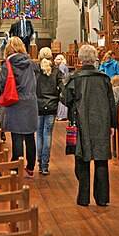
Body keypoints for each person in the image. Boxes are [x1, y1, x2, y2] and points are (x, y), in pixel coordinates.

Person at [61, 45, 117, 207]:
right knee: (101, 160)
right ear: (94, 59)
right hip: (101, 122)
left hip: (81, 123)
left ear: (80, 59)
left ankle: (83, 198)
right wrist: (112, 124)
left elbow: (65, 99)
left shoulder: (75, 78)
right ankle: (102, 198)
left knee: (82, 159)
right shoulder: (104, 78)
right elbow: (111, 103)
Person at [0, 36, 38, 178]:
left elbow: (1, 85)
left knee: (17, 136)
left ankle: (17, 168)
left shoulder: (7, 64)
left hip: (15, 101)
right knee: (30, 136)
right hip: (31, 101)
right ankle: (31, 168)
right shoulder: (31, 63)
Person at [35, 47, 64, 175]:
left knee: (39, 133)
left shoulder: (36, 70)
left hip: (38, 105)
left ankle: (40, 161)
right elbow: (62, 87)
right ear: (52, 57)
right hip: (51, 105)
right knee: (47, 134)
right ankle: (45, 165)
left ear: (40, 56)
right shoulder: (56, 71)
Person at [55, 54, 69, 121]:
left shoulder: (61, 66)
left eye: (59, 59)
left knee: (61, 100)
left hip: (63, 84)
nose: (57, 60)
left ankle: (61, 115)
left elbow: (62, 76)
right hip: (66, 83)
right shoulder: (64, 66)